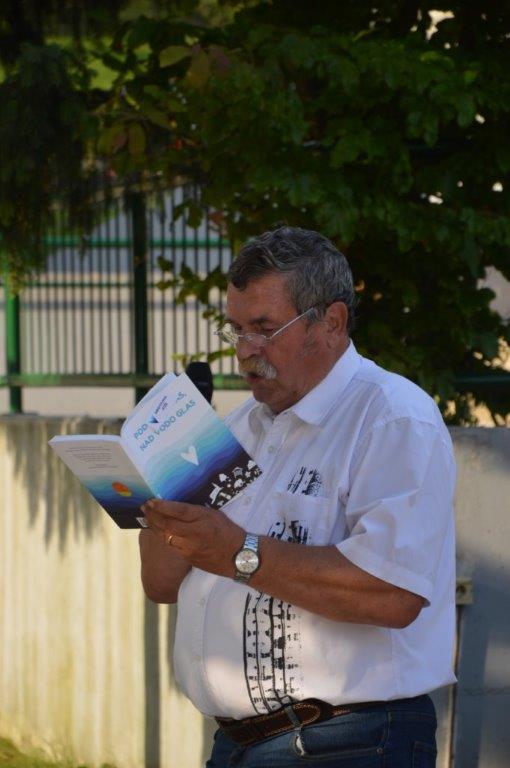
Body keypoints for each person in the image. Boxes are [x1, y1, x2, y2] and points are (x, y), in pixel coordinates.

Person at [139, 226, 456, 768]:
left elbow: (394, 593)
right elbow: (161, 583)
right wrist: (159, 480)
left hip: (350, 741)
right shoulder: (237, 427)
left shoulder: (393, 418)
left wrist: (237, 552)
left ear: (331, 322)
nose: (245, 352)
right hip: (238, 743)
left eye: (265, 329)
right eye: (236, 330)